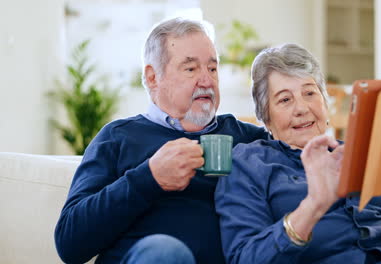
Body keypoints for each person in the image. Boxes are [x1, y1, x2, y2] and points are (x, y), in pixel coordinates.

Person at [54, 17, 268, 264]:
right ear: (153, 77)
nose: (207, 81)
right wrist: (148, 178)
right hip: (150, 257)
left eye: (212, 68)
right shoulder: (117, 137)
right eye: (191, 69)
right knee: (165, 252)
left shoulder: (246, 138)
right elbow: (69, 244)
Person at [215, 44, 381, 264]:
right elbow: (245, 258)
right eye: (285, 99)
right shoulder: (248, 164)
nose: (302, 108)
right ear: (266, 118)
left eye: (310, 93)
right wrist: (312, 207)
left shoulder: (366, 155)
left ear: (325, 103)